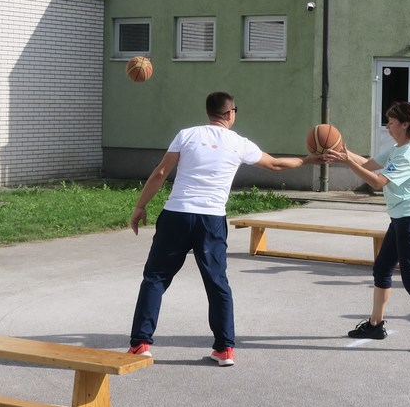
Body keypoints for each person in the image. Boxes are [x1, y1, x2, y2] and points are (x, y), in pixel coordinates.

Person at [126, 92, 316, 364]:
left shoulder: (187, 135)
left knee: (155, 278)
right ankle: (225, 348)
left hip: (177, 215)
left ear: (209, 112)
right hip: (211, 221)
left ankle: (141, 344)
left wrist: (140, 206)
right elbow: (275, 165)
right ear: (229, 113)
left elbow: (160, 172)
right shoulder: (238, 143)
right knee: (217, 283)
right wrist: (308, 161)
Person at [324, 101, 410, 353]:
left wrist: (347, 162)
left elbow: (377, 181)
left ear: (405, 124)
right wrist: (344, 154)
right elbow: (370, 164)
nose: (387, 126)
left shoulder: (408, 154)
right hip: (400, 218)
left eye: (391, 122)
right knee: (382, 269)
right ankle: (375, 325)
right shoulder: (400, 148)